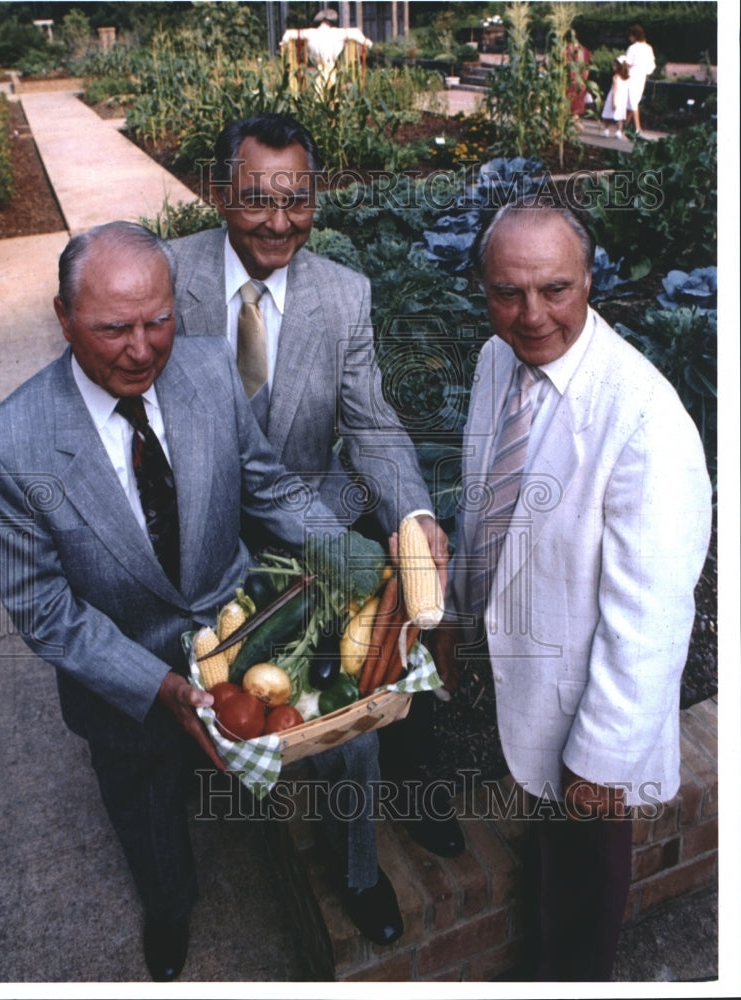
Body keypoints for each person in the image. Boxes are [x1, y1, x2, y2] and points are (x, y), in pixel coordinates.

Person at [0, 222, 403, 982]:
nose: (142, 349)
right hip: (125, 668)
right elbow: (44, 609)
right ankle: (170, 908)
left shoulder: (205, 368)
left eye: (158, 320)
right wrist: (155, 685)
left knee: (352, 736)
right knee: (144, 796)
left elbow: (267, 485)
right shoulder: (8, 444)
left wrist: (358, 563)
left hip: (242, 620)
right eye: (113, 329)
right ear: (63, 318)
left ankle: (358, 872)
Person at [170, 112, 465, 859]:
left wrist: (416, 514)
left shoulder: (342, 295)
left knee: (373, 675)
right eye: (257, 199)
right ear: (217, 191)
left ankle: (369, 853)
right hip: (200, 536)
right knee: (218, 701)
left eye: (296, 199)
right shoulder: (166, 279)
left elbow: (369, 425)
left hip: (315, 518)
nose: (279, 222)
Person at [432, 200, 712, 980]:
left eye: (555, 289)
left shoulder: (646, 423)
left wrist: (597, 767)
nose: (531, 316)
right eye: (507, 293)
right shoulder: (498, 361)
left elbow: (650, 622)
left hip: (597, 708)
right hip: (535, 670)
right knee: (550, 836)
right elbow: (484, 499)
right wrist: (456, 612)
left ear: (590, 280)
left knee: (587, 878)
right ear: (482, 290)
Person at [624, 23, 656, 136]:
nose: (629, 38)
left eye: (630, 36)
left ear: (634, 36)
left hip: (632, 75)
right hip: (642, 76)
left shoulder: (632, 48)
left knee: (633, 101)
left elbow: (627, 63)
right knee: (634, 101)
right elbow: (652, 65)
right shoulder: (648, 48)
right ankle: (625, 125)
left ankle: (637, 128)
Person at [600, 55, 630, 138]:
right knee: (620, 115)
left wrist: (613, 102)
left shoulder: (616, 77)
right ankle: (618, 131)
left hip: (614, 97)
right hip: (622, 99)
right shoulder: (627, 79)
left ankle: (606, 129)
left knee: (608, 114)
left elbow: (614, 91)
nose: (613, 66)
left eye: (615, 65)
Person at [564, 33, 592, 117]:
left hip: (568, 82)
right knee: (576, 112)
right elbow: (587, 69)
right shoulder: (584, 51)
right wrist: (584, 82)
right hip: (580, 83)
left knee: (566, 110)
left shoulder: (566, 50)